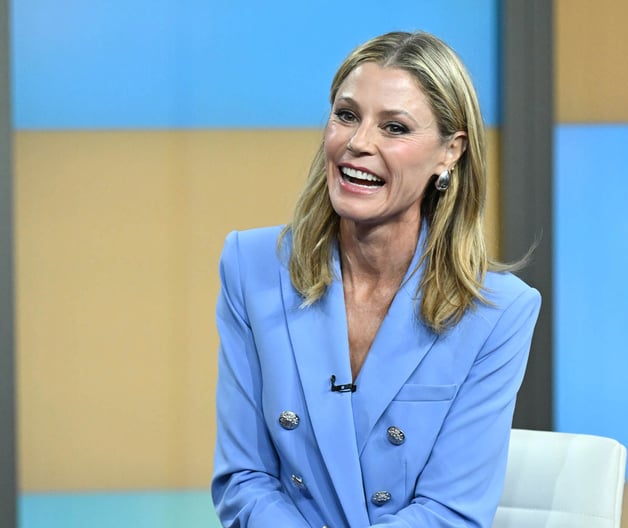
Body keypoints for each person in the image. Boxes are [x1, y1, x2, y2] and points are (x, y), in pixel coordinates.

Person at [212, 31, 541, 528]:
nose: (358, 143)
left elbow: (449, 513)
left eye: (394, 127)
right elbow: (244, 479)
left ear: (449, 152)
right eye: (346, 115)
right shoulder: (252, 266)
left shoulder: (498, 313)